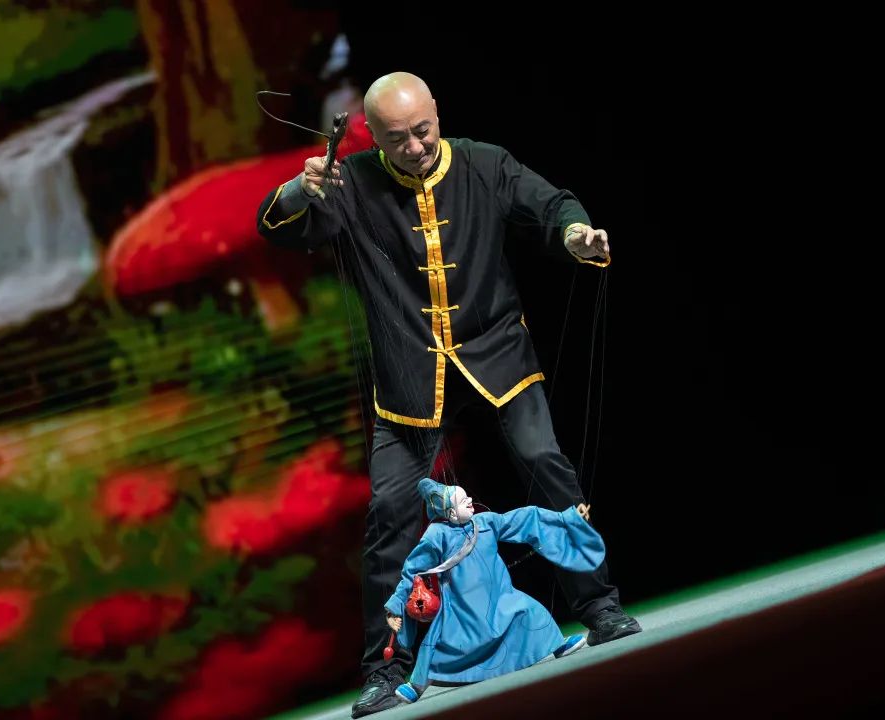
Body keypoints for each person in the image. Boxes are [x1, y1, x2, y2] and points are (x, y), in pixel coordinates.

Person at [256, 71, 640, 718]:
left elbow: (551, 205)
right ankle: (385, 668)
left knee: (543, 461)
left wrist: (577, 235)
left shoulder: (484, 163)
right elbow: (280, 226)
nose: (413, 147)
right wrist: (300, 188)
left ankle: (600, 606)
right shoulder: (353, 183)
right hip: (410, 373)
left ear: (437, 113)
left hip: (495, 353)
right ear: (372, 137)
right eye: (397, 139)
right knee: (390, 510)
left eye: (422, 131)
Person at [385, 479, 600, 705]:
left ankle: (556, 645)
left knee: (528, 611)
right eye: (463, 500)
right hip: (461, 607)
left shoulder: (485, 522)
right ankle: (417, 685)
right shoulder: (436, 535)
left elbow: (524, 518)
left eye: (467, 496)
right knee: (440, 641)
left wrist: (566, 519)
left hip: (500, 598)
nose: (470, 500)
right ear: (450, 512)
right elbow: (412, 570)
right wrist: (396, 605)